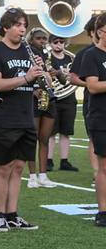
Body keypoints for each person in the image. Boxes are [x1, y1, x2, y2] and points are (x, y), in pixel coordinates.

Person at [0, 8, 43, 232]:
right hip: (3, 117)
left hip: (26, 116)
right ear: (6, 27)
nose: (22, 29)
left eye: (24, 25)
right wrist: (26, 77)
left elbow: (30, 85)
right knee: (4, 168)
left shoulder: (29, 52)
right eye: (18, 25)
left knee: (19, 167)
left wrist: (39, 80)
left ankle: (12, 214)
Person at [78, 12, 106, 228]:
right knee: (104, 168)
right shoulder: (92, 55)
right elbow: (93, 86)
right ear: (99, 32)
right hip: (101, 116)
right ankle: (103, 211)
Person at [25, 28, 57, 188]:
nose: (42, 41)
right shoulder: (26, 52)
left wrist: (53, 73)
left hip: (47, 97)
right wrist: (32, 90)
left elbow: (49, 76)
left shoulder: (46, 55)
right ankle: (32, 176)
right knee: (32, 139)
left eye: (44, 38)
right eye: (39, 38)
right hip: (33, 97)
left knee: (44, 138)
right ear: (31, 39)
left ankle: (43, 175)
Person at [69, 14, 99, 180]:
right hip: (93, 102)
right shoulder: (85, 53)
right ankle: (97, 174)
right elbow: (73, 77)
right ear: (92, 32)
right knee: (95, 138)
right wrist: (93, 85)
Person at [47, 35, 78, 172]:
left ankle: (64, 161)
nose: (59, 44)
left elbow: (77, 76)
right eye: (55, 42)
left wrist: (68, 75)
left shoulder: (71, 59)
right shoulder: (47, 58)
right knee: (51, 133)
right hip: (53, 98)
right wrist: (58, 74)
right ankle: (48, 161)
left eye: (61, 42)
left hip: (69, 98)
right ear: (50, 43)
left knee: (66, 132)